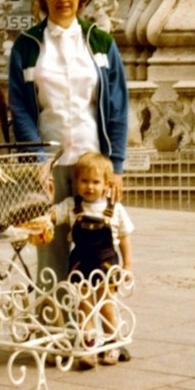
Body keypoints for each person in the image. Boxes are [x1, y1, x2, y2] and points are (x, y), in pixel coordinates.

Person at [8, 0, 129, 292]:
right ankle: (53, 330)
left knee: (99, 251)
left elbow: (118, 106)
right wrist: (37, 159)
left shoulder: (101, 42)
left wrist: (116, 166)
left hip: (93, 164)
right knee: (50, 247)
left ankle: (90, 334)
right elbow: (20, 108)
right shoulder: (27, 45)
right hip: (50, 163)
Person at [49, 152, 133, 368]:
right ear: (76, 182)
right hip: (80, 264)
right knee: (83, 307)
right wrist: (47, 198)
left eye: (96, 182)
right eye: (84, 181)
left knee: (106, 306)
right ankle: (88, 348)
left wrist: (128, 264)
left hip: (106, 264)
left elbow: (124, 237)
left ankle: (112, 345)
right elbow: (52, 215)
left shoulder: (114, 209)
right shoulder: (71, 205)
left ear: (107, 185)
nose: (90, 187)